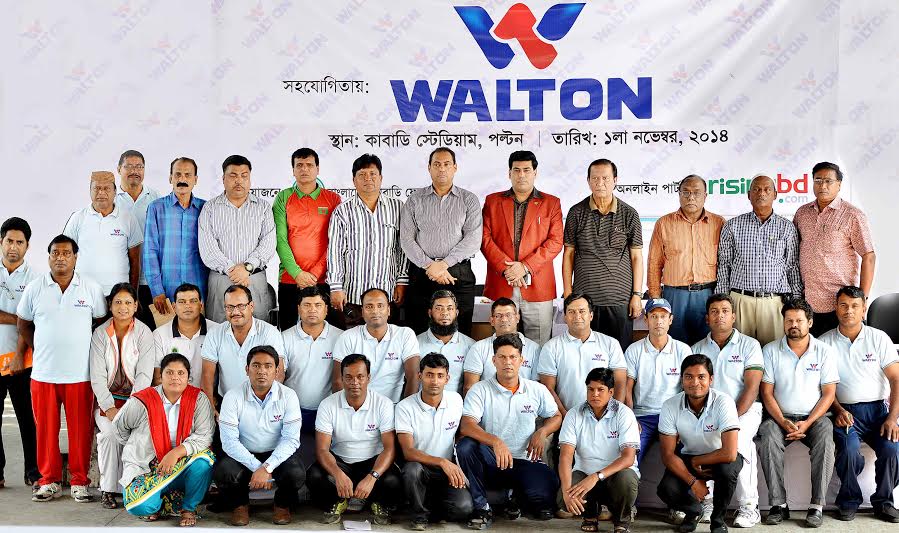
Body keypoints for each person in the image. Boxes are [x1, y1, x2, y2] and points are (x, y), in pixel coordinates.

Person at [17, 235, 106, 502]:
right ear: (48, 257)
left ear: (76, 258)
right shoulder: (35, 287)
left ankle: (79, 481)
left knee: (81, 431)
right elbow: (23, 323)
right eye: (55, 253)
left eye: (66, 253)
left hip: (80, 374)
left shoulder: (89, 287)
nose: (60, 257)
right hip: (44, 374)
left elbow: (100, 323)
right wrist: (40, 347)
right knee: (45, 430)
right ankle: (49, 480)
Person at [457, 334, 561, 528]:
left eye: (513, 357)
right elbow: (466, 425)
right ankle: (482, 507)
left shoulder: (536, 389)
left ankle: (512, 498)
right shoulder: (480, 390)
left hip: (523, 460)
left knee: (545, 494)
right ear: (493, 360)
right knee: (466, 446)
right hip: (492, 461)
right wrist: (495, 441)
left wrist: (542, 432)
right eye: (502, 357)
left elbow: (556, 416)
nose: (508, 362)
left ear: (522, 360)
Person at [819, 286, 899, 522]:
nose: (849, 311)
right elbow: (824, 388)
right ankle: (849, 500)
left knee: (893, 449)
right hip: (844, 412)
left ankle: (884, 502)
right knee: (850, 451)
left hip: (878, 411)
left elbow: (896, 379)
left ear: (864, 308)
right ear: (836, 308)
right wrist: (839, 410)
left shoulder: (879, 338)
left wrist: (892, 418)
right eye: (843, 305)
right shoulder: (825, 343)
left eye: (855, 306)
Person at [757, 298, 838, 528]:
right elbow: (767, 392)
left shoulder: (824, 351)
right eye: (789, 320)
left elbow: (829, 394)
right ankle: (778, 505)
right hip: (779, 417)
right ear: (783, 323)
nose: (794, 324)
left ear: (810, 323)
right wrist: (782, 421)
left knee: (826, 440)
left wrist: (807, 422)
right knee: (769, 436)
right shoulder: (771, 350)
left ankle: (817, 506)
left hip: (816, 417)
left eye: (799, 320)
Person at [113, 352, 215, 527]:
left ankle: (188, 508)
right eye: (169, 372)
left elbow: (205, 436)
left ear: (189, 377)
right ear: (160, 376)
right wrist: (140, 449)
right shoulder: (142, 400)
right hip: (147, 467)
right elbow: (120, 428)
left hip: (182, 463)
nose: (175, 377)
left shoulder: (198, 399)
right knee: (139, 506)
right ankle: (160, 504)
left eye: (181, 373)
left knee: (204, 460)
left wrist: (175, 453)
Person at [690, 293, 764, 527]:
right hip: (708, 412)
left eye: (724, 311)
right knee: (702, 442)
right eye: (714, 311)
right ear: (707, 319)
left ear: (733, 316)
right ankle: (708, 502)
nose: (719, 316)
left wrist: (730, 418)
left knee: (740, 443)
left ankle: (749, 506)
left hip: (746, 410)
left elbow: (752, 389)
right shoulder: (697, 348)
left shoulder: (749, 345)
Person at [214, 345, 305, 526]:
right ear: (247, 370)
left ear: (277, 370)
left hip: (276, 453)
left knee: (296, 474)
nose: (262, 371)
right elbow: (229, 442)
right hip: (243, 453)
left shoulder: (289, 396)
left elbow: (291, 439)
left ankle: (281, 506)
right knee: (224, 472)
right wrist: (258, 467)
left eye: (268, 366)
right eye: (256, 365)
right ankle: (239, 506)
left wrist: (268, 467)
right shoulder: (232, 397)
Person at [307, 354, 402, 526]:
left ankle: (376, 502)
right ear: (341, 378)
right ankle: (340, 501)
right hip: (341, 460)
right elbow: (322, 449)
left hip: (372, 461)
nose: (355, 382)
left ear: (368, 378)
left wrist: (372, 477)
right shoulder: (328, 405)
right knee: (314, 476)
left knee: (392, 481)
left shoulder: (383, 404)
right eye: (348, 377)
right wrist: (338, 474)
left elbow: (389, 448)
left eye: (360, 377)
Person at [481, 150, 563, 345]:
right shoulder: (493, 201)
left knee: (539, 344)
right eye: (516, 170)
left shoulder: (551, 203)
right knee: (502, 343)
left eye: (527, 170)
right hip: (502, 282)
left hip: (538, 285)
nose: (521, 174)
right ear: (509, 173)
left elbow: (555, 241)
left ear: (535, 172)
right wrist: (508, 269)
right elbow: (484, 239)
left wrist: (524, 267)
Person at [562, 158, 643, 350]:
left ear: (615, 180)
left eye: (606, 178)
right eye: (595, 178)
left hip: (620, 300)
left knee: (618, 355)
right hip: (585, 302)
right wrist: (568, 293)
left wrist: (637, 295)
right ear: (588, 181)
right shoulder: (576, 213)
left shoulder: (629, 214)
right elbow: (568, 255)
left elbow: (636, 257)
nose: (600, 183)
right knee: (588, 355)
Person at [656, 354, 743, 533]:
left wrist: (698, 461)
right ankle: (693, 511)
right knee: (666, 489)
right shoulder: (670, 405)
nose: (695, 382)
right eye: (689, 376)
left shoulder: (723, 402)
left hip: (720, 457)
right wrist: (694, 481)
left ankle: (718, 521)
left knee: (727, 472)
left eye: (701, 377)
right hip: (689, 455)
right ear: (682, 380)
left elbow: (730, 453)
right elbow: (667, 455)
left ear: (711, 379)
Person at [401, 147, 482, 336]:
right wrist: (430, 266)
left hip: (458, 274)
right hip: (422, 274)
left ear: (455, 168)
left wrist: (443, 265)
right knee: (418, 329)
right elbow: (406, 239)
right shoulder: (415, 199)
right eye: (437, 164)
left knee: (460, 331)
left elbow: (473, 239)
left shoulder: (468, 200)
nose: (442, 169)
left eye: (447, 164)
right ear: (429, 168)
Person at [89, 283, 155, 508]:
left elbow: (145, 375)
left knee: (139, 435)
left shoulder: (144, 332)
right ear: (110, 305)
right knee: (108, 435)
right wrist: (109, 408)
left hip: (137, 403)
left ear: (136, 306)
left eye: (128, 302)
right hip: (108, 403)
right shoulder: (100, 334)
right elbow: (97, 376)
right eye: (118, 302)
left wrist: (130, 409)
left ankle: (134, 487)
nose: (123, 307)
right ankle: (108, 489)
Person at [716, 175, 802, 345]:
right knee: (737, 354)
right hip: (740, 301)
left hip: (774, 303)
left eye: (766, 189)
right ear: (749, 195)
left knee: (774, 353)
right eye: (756, 189)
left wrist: (797, 302)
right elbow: (724, 265)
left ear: (775, 194)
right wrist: (722, 301)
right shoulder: (733, 225)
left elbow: (792, 266)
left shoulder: (787, 227)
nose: (761, 193)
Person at [793, 163, 876, 336]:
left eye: (829, 181)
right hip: (807, 304)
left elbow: (868, 256)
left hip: (840, 304)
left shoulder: (853, 215)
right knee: (813, 359)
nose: (823, 185)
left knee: (841, 358)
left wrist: (862, 299)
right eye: (818, 180)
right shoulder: (802, 213)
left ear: (839, 184)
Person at [328, 153, 407, 329]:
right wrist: (335, 287)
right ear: (354, 180)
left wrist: (402, 282)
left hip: (386, 295)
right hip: (353, 295)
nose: (368, 179)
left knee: (385, 346)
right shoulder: (342, 212)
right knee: (353, 349)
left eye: (372, 174)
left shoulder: (398, 208)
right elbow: (335, 252)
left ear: (381, 178)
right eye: (362, 175)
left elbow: (402, 250)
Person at [396, 353, 473, 530]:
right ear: (419, 376)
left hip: (447, 470)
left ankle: (431, 504)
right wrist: (442, 461)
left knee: (464, 509)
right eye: (429, 375)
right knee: (412, 470)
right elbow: (408, 451)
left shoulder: (456, 401)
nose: (434, 381)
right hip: (420, 467)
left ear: (448, 378)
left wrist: (456, 465)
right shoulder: (405, 407)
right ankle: (419, 516)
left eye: (440, 376)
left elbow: (461, 434)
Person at [558, 368, 640, 533]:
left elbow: (628, 458)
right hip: (585, 473)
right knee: (562, 497)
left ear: (610, 392)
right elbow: (566, 456)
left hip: (615, 476)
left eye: (600, 390)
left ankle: (621, 521)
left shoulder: (624, 414)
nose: (595, 394)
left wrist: (596, 477)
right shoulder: (574, 414)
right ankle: (590, 516)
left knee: (627, 480)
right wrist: (567, 491)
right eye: (591, 389)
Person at [647, 175, 724, 345]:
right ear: (679, 194)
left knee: (707, 347)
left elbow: (726, 263)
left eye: (696, 193)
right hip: (674, 295)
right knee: (674, 347)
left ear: (705, 196)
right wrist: (656, 298)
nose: (691, 197)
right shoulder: (664, 223)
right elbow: (654, 263)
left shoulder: (719, 223)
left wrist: (722, 297)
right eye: (686, 192)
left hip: (708, 295)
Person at [199, 154, 276, 323]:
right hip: (221, 280)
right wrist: (233, 271)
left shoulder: (263, 207)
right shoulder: (210, 208)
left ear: (250, 178)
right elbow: (208, 249)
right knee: (219, 332)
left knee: (258, 332)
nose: (239, 181)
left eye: (244, 176)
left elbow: (268, 243)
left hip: (254, 279)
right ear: (223, 178)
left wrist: (247, 267)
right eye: (233, 176)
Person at [273, 147, 341, 330]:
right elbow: (280, 239)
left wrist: (314, 274)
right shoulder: (283, 198)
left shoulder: (333, 199)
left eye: (309, 165)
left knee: (328, 332)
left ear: (318, 169)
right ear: (293, 170)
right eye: (299, 165)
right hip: (289, 279)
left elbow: (335, 242)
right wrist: (297, 274)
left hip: (324, 279)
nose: (304, 169)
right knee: (288, 332)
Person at [624, 299, 692, 465]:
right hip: (642, 416)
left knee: (686, 457)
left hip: (672, 416)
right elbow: (626, 388)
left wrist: (683, 421)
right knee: (629, 461)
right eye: (654, 316)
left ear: (670, 319)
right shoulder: (634, 350)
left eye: (663, 316)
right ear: (646, 320)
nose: (659, 321)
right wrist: (630, 419)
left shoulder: (683, 350)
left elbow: (689, 391)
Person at [538, 292, 627, 418]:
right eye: (571, 312)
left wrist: (613, 416)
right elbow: (548, 388)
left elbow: (620, 382)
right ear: (564, 317)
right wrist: (566, 417)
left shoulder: (610, 344)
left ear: (591, 315)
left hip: (605, 417)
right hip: (566, 417)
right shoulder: (551, 347)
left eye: (582, 311)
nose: (577, 316)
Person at [201, 285, 285, 412]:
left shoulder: (269, 333)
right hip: (227, 402)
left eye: (241, 306)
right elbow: (207, 374)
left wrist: (267, 406)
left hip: (262, 403)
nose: (235, 312)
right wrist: (210, 408)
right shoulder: (215, 333)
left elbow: (278, 373)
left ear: (251, 306)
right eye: (230, 307)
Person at [0, 217, 39, 488]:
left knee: (28, 419)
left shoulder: (35, 278)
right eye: (9, 241)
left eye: (19, 242)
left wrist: (17, 354)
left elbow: (34, 322)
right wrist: (19, 318)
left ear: (27, 246)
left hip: (22, 361)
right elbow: (25, 319)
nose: (14, 247)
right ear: (0, 242)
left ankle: (33, 472)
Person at [282, 285, 342, 460]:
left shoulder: (341, 337)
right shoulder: (284, 337)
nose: (312, 310)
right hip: (294, 412)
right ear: (298, 309)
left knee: (327, 462)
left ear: (326, 310)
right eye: (307, 305)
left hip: (328, 413)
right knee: (298, 461)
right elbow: (279, 376)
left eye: (318, 305)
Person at [143, 157, 208, 315]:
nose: (182, 179)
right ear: (170, 178)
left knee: (199, 336)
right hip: (166, 291)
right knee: (167, 337)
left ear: (196, 179)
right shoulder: (156, 208)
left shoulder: (206, 209)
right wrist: (157, 290)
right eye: (177, 174)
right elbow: (150, 251)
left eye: (187, 175)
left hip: (199, 290)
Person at [331, 288, 420, 403]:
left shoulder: (405, 335)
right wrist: (347, 411)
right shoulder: (348, 337)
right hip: (357, 407)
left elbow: (413, 376)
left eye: (380, 306)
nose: (375, 311)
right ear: (362, 311)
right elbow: (338, 381)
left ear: (388, 310)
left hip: (393, 406)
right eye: (369, 306)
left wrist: (406, 410)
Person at [63, 170, 143, 293]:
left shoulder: (129, 219)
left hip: (118, 295)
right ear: (90, 191)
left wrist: (132, 295)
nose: (101, 193)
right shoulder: (77, 218)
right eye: (97, 188)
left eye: (106, 188)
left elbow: (135, 262)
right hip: (83, 293)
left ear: (115, 192)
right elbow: (66, 256)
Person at [115, 149, 161, 328]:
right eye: (129, 166)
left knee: (152, 331)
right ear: (119, 169)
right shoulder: (112, 200)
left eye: (139, 166)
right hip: (121, 279)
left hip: (151, 280)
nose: (135, 171)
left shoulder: (156, 198)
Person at [462, 297, 540, 396]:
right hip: (488, 405)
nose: (504, 319)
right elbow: (470, 388)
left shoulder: (534, 348)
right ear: (491, 320)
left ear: (517, 318)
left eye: (509, 315)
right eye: (498, 316)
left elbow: (536, 387)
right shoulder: (478, 348)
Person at [151, 283, 218, 387]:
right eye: (182, 302)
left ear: (201, 305)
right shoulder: (159, 335)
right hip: (173, 398)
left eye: (193, 301)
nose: (188, 305)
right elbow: (158, 379)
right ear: (174, 307)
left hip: (208, 396)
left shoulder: (217, 331)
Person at [417, 290, 475, 394]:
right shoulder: (414, 343)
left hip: (457, 407)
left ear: (456, 313)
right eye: (439, 308)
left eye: (450, 308)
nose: (444, 313)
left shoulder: (471, 346)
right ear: (430, 313)